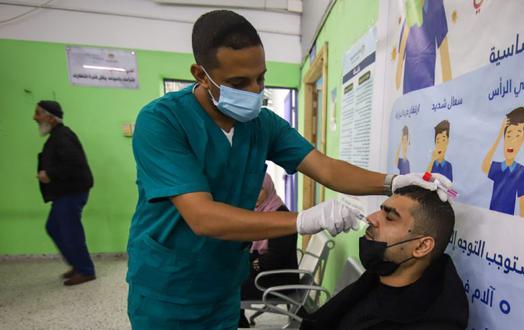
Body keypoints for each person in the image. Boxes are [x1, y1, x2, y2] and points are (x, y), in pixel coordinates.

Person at [126, 9, 452, 328]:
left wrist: (392, 182)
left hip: (225, 283)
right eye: (239, 82)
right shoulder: (162, 122)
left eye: (261, 77)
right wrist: (303, 220)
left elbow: (326, 168)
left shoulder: (261, 124)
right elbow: (202, 217)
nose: (256, 91)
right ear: (200, 74)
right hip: (167, 286)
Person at [301, 185, 468, 330]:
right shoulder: (375, 279)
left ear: (421, 246)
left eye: (390, 217)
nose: (371, 218)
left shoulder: (433, 323)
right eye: (380, 210)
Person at [33, 100, 95, 286]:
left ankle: (85, 270)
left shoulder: (63, 136)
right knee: (53, 227)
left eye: (38, 113)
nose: (35, 117)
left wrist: (49, 174)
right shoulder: (57, 136)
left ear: (50, 117)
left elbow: (73, 164)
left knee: (70, 231)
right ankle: (77, 265)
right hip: (64, 193)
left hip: (72, 192)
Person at [238, 173, 299, 328]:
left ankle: (240, 324)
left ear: (269, 188)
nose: (254, 194)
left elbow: (274, 259)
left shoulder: (281, 216)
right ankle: (240, 321)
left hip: (279, 279)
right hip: (270, 274)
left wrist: (252, 263)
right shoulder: (262, 212)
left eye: (259, 189)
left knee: (230, 285)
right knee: (230, 274)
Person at [481, 107, 524, 217]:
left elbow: (522, 205)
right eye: (508, 135)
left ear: (523, 139)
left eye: (517, 135)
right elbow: (484, 166)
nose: (511, 141)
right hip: (491, 218)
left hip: (507, 223)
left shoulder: (520, 171)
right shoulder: (498, 167)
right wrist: (499, 136)